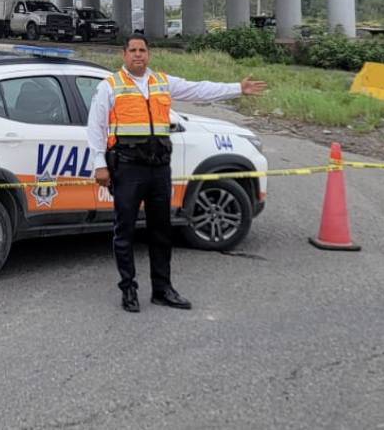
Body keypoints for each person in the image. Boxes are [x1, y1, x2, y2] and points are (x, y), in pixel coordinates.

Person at [86, 33, 268, 313]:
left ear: (149, 54)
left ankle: (162, 289)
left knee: (161, 231)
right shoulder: (110, 86)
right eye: (133, 50)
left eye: (142, 50)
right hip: (128, 168)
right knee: (124, 232)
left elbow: (199, 90)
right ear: (123, 55)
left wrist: (237, 88)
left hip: (159, 169)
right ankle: (129, 289)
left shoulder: (161, 81)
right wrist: (99, 164)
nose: (138, 55)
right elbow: (95, 127)